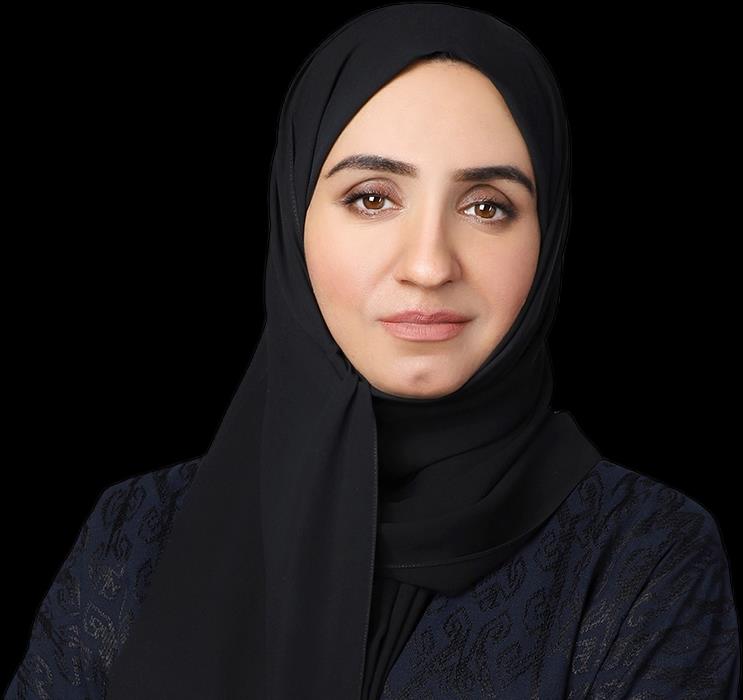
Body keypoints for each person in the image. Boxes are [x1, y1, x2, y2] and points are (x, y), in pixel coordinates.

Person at [5, 4, 740, 699]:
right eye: (372, 198)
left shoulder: (643, 553)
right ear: (294, 215)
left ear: (547, 238)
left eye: (486, 206)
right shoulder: (138, 532)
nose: (428, 264)